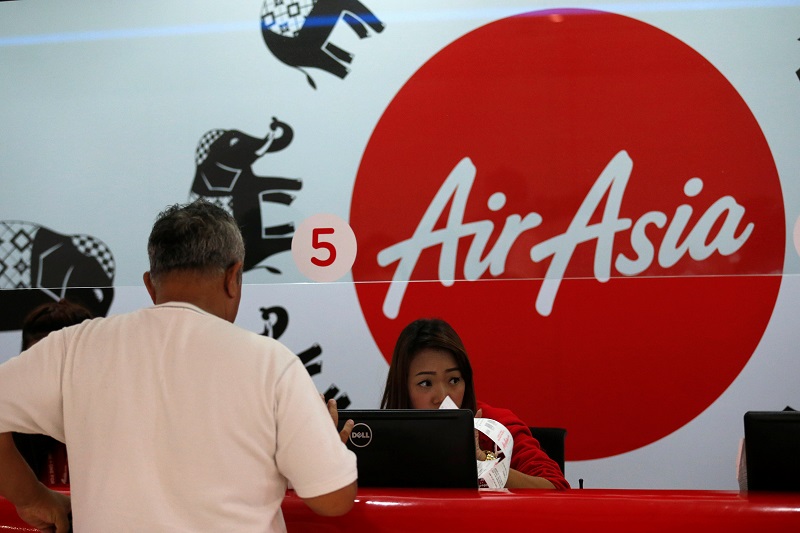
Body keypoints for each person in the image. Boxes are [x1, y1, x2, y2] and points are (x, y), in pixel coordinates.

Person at [0, 200, 358, 532]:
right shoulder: (271, 364)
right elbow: (333, 501)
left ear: (149, 284)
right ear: (234, 277)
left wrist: (32, 498)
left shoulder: (74, 347)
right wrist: (321, 448)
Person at [381, 317, 569, 490]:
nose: (442, 396)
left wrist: (483, 462)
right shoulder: (378, 435)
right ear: (403, 387)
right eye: (425, 383)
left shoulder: (497, 425)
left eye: (454, 380)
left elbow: (556, 488)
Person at [12, 299, 94, 488]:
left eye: (62, 364)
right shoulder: (9, 429)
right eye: (38, 363)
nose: (51, 377)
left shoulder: (120, 427)